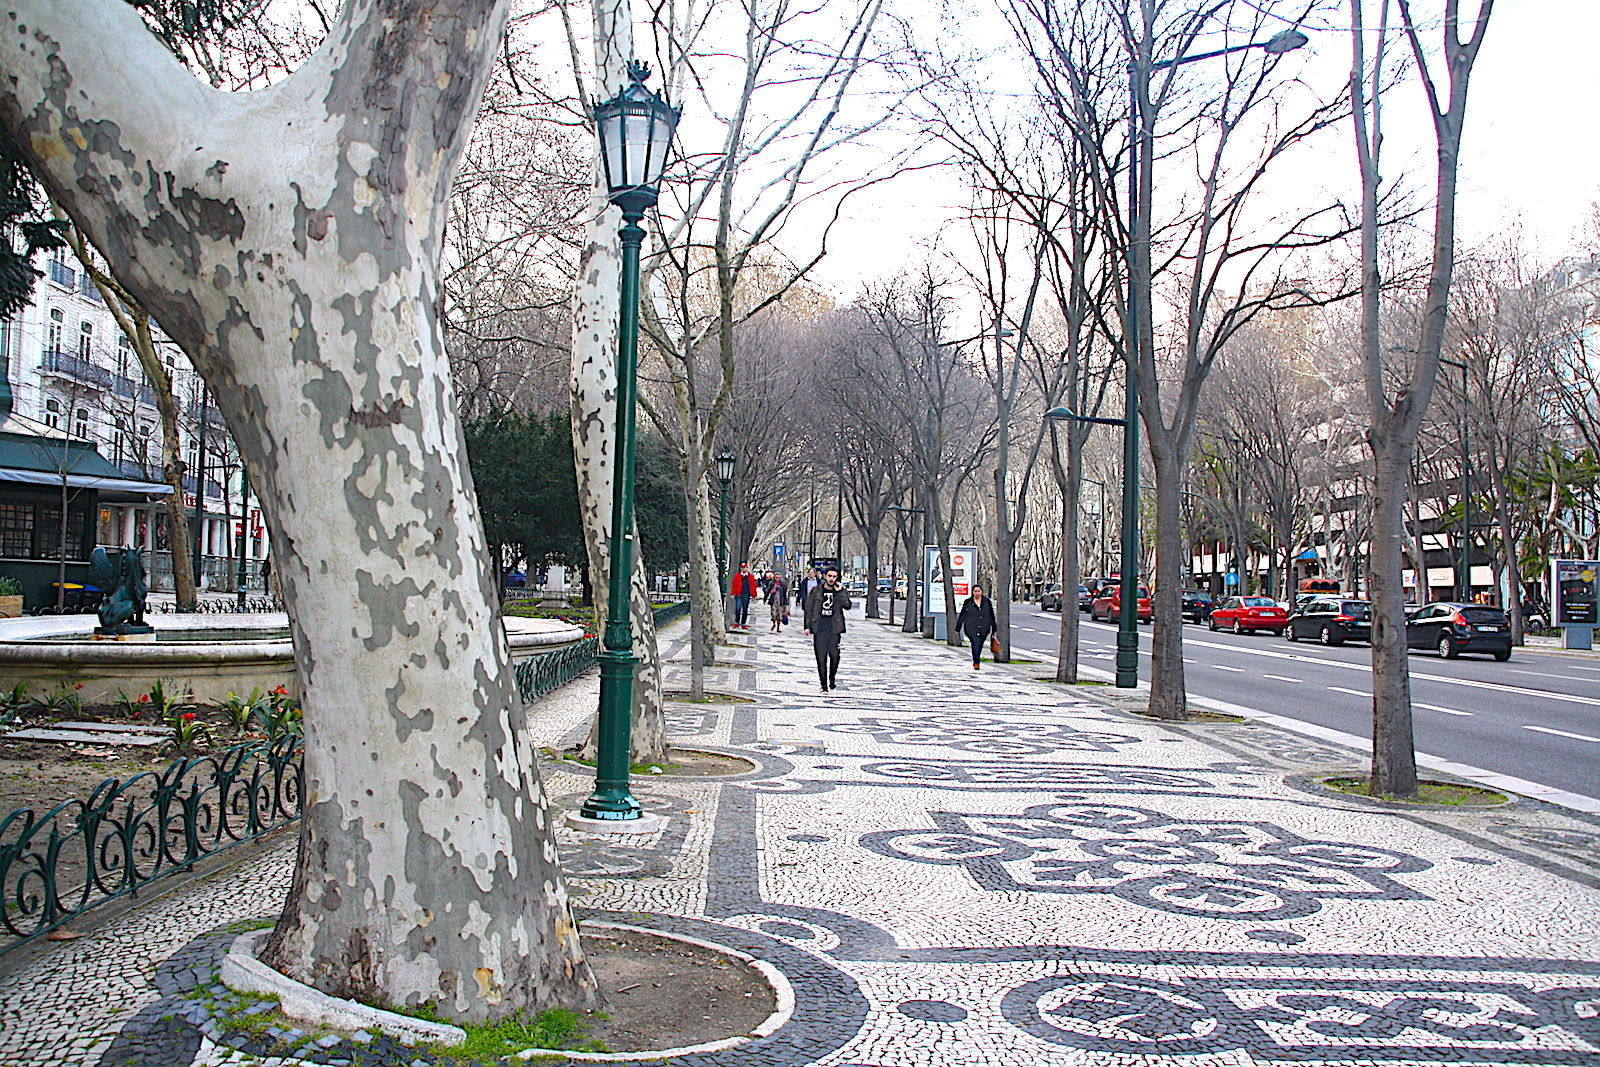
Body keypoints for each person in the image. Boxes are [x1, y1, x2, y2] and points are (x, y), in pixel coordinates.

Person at [804, 566, 851, 692]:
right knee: (821, 657)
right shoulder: (816, 591)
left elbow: (847, 605)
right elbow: (809, 609)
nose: (831, 579)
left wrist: (840, 592)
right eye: (829, 576)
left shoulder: (840, 591)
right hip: (819, 628)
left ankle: (832, 678)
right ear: (825, 576)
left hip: (834, 628)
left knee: (835, 656)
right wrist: (807, 626)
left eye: (834, 576)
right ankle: (824, 684)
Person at [954, 584, 998, 670]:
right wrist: (958, 628)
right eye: (975, 591)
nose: (977, 593)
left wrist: (994, 628)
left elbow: (991, 615)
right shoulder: (968, 602)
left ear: (981, 592)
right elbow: (962, 615)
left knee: (980, 644)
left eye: (979, 591)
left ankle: (976, 659)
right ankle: (976, 662)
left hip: (984, 627)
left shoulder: (987, 602)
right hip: (971, 628)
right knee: (975, 643)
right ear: (973, 592)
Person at [729, 562, 758, 629]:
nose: (743, 569)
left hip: (746, 595)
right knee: (738, 608)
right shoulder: (737, 576)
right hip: (739, 594)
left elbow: (753, 586)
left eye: (744, 567)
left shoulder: (750, 576)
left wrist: (754, 595)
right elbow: (734, 584)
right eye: (742, 567)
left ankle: (743, 623)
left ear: (747, 568)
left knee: (745, 609)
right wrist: (732, 593)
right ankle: (737, 622)